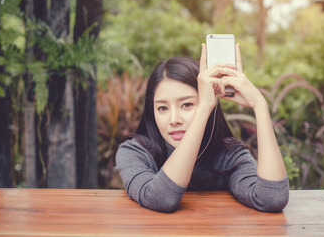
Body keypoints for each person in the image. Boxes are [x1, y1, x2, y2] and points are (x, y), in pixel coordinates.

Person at [115, 43, 289, 213]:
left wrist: (260, 106)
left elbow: (272, 199)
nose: (174, 119)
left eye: (187, 104)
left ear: (211, 105)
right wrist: (203, 107)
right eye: (162, 108)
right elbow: (161, 199)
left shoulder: (228, 156)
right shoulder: (134, 151)